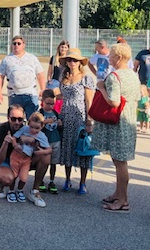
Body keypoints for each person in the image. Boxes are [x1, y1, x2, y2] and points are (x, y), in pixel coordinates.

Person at [93, 43, 140, 213]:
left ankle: (123, 199)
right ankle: (118, 193)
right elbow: (137, 97)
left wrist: (101, 88)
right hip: (129, 121)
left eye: (111, 55)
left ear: (119, 58)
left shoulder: (114, 76)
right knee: (118, 159)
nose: (109, 57)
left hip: (118, 122)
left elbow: (114, 101)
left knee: (120, 162)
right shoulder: (133, 75)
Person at [0, 105, 48, 208]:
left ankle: (35, 192)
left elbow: (44, 146)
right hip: (5, 160)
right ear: (8, 117)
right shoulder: (2, 129)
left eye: (20, 119)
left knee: (46, 156)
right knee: (8, 178)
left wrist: (33, 141)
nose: (17, 122)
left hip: (23, 158)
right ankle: (1, 183)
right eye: (13, 119)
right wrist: (6, 142)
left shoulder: (29, 128)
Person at [57, 48, 95, 195]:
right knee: (67, 147)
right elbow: (62, 95)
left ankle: (83, 182)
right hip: (66, 115)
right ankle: (67, 179)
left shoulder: (86, 78)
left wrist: (89, 120)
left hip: (80, 116)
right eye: (69, 60)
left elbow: (89, 101)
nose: (72, 62)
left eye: (75, 60)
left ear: (80, 62)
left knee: (82, 148)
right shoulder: (63, 77)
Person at [0, 35, 46, 118]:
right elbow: (0, 77)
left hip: (31, 94)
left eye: (19, 43)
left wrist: (43, 89)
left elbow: (40, 74)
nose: (16, 45)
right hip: (14, 95)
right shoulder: (6, 60)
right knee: (16, 121)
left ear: (24, 45)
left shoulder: (32, 58)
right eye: (14, 43)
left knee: (33, 120)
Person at [8, 112, 50, 205]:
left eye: (37, 128)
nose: (33, 130)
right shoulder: (24, 129)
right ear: (28, 123)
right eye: (31, 127)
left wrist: (41, 152)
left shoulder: (42, 136)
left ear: (42, 126)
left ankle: (32, 191)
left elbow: (49, 149)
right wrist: (15, 145)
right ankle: (10, 191)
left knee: (23, 178)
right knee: (13, 175)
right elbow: (14, 137)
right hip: (16, 155)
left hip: (28, 158)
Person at [38, 89, 62, 194]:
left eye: (53, 104)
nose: (50, 106)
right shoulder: (40, 113)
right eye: (48, 103)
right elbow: (35, 126)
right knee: (43, 162)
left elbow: (60, 127)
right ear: (42, 101)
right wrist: (44, 122)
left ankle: (52, 181)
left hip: (55, 140)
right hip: (44, 142)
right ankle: (40, 180)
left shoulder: (55, 113)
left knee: (53, 163)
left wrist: (60, 124)